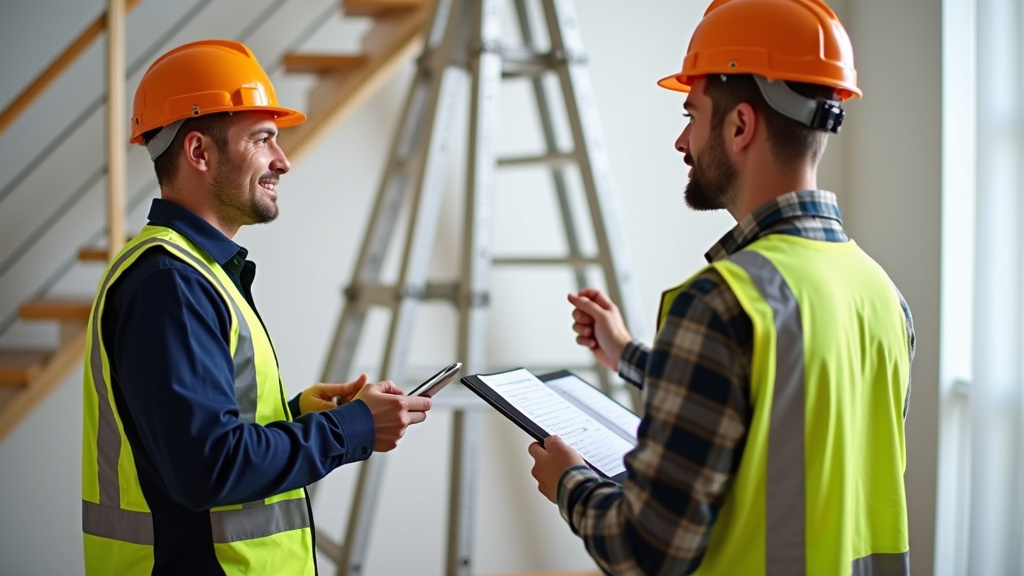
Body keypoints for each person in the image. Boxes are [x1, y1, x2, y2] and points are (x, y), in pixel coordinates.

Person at [526, 0, 915, 574]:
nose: (682, 142)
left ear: (740, 126)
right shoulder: (881, 292)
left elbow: (647, 549)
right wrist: (626, 354)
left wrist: (569, 482)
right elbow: (781, 412)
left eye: (692, 113)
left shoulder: (721, 302)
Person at [81, 39, 432, 575]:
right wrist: (354, 428)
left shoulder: (198, 272)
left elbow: (197, 441)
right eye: (263, 139)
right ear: (199, 152)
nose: (282, 161)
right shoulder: (169, 283)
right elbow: (208, 469)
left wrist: (291, 416)